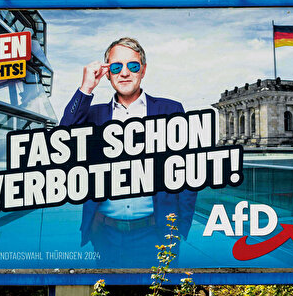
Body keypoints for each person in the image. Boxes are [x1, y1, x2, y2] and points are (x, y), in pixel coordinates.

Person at [60, 36, 196, 266]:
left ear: (143, 70)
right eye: (116, 67)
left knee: (162, 290)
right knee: (109, 290)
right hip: (105, 235)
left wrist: (180, 227)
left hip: (158, 234)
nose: (124, 73)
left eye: (132, 66)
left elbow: (189, 171)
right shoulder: (93, 115)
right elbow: (61, 145)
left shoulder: (171, 110)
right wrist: (86, 88)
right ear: (107, 73)